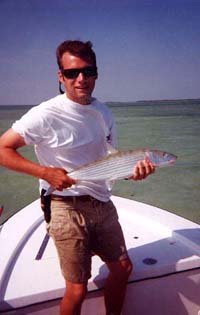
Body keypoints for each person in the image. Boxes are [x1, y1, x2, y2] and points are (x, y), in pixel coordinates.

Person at [0, 40, 155, 315]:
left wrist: (133, 173)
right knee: (77, 288)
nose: (80, 79)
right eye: (72, 73)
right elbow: (2, 149)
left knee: (123, 269)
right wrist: (45, 173)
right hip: (63, 205)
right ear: (61, 76)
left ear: (96, 73)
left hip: (101, 202)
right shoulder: (45, 114)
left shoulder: (103, 112)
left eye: (87, 71)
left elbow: (110, 162)